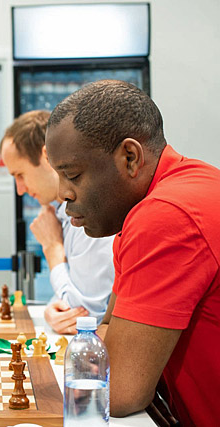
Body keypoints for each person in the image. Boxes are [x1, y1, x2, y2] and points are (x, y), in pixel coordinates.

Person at [45, 80, 220, 426]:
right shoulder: (184, 187)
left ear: (130, 157)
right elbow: (105, 327)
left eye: (73, 175)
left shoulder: (167, 214)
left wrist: (108, 347)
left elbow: (119, 390)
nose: (62, 194)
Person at [0, 110, 114, 334]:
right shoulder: (64, 214)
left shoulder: (91, 214)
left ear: (47, 156)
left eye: (20, 175)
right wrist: (52, 308)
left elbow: (85, 315)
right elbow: (68, 303)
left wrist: (52, 249)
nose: (20, 190)